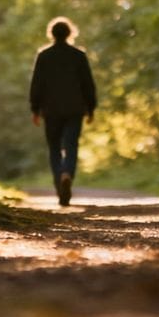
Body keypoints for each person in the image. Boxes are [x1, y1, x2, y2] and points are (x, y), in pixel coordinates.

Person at [29, 16, 96, 206]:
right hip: (75, 108)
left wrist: (35, 108)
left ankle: (60, 184)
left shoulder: (44, 56)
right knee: (71, 144)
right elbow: (88, 85)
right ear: (69, 33)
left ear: (51, 34)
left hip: (51, 110)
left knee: (54, 148)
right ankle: (67, 173)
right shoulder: (79, 56)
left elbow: (37, 85)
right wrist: (90, 108)